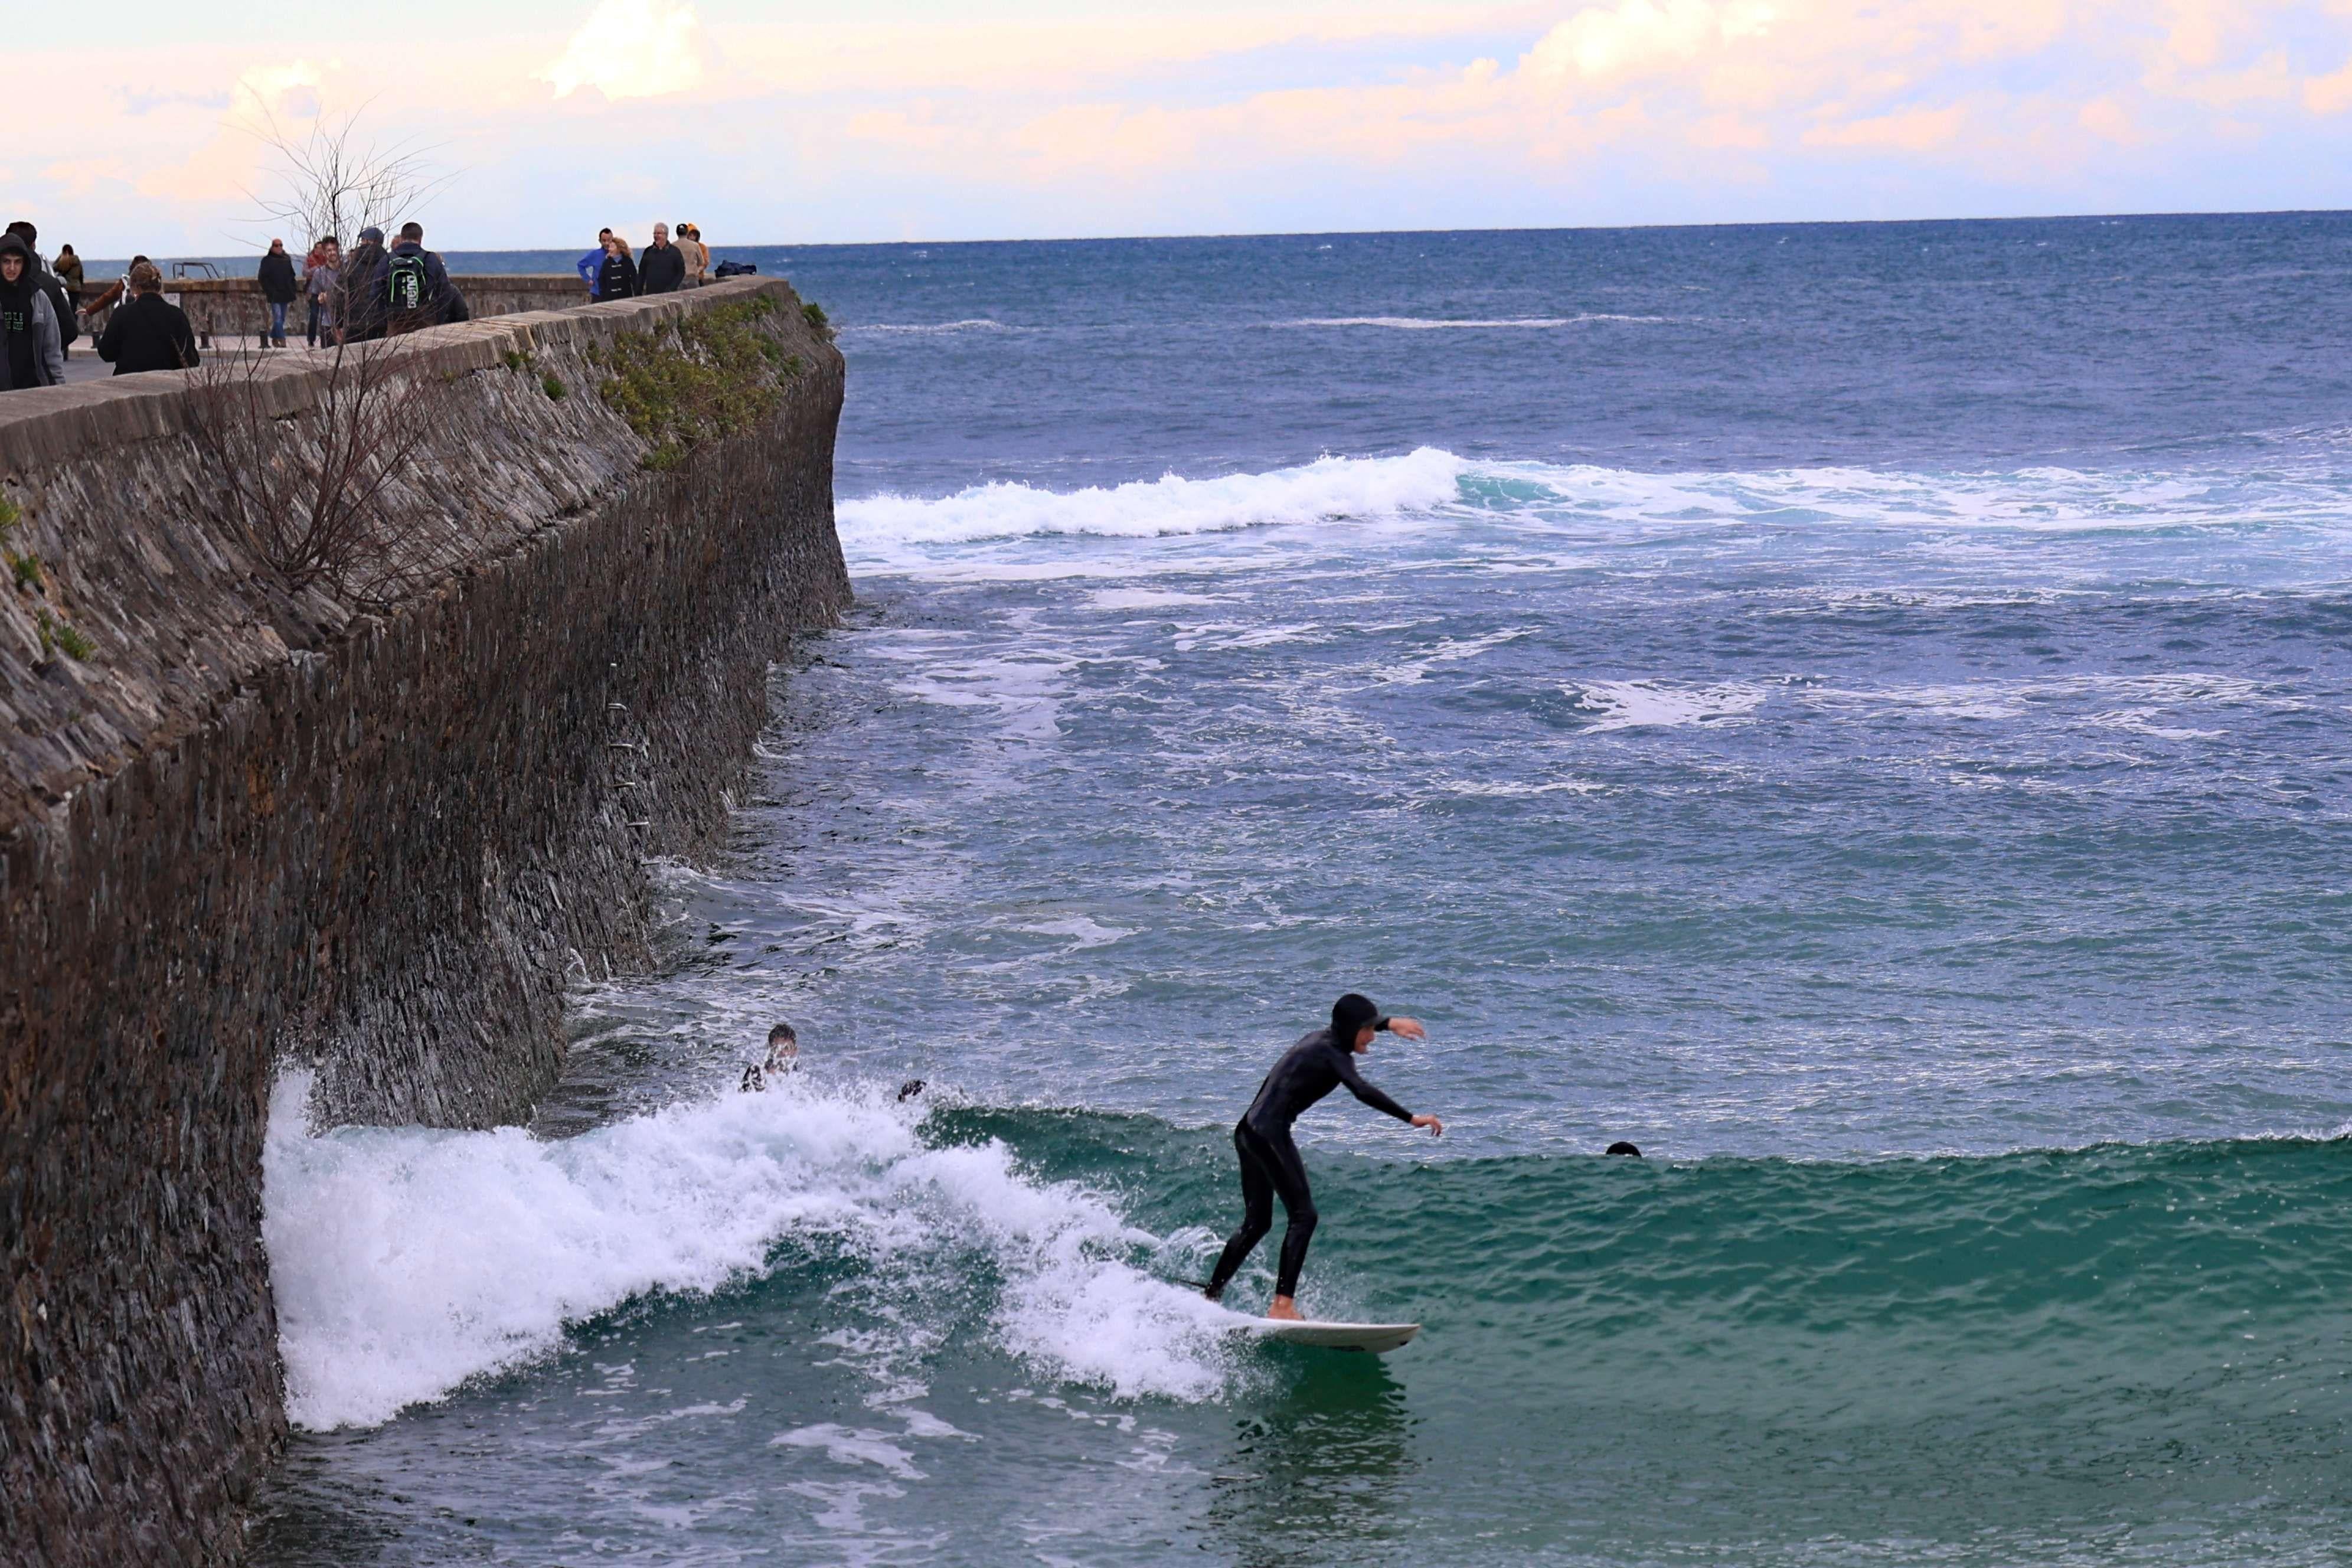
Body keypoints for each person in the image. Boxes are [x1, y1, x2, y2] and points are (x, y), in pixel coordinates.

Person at [1203, 994, 1442, 1319]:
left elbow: (1352, 1028)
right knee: (1305, 1216)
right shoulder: (1333, 1054)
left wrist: (1389, 1023)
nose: (1372, 1037)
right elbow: (1361, 1090)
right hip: (1270, 1134)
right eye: (1367, 1031)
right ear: (1350, 1030)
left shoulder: (1322, 1040)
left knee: (1257, 1222)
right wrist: (1411, 1118)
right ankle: (1282, 1306)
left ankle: (1211, 1296)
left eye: (1374, 1029)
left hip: (1248, 1132)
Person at [95, 261, 199, 375]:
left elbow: (106, 353)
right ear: (159, 286)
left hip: (127, 382)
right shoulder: (177, 315)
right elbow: (191, 359)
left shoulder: (122, 314)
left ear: (135, 288)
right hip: (166, 383)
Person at [0, 236, 67, 390]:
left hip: (32, 387)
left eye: (17, 262)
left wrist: (58, 388)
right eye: (6, 261)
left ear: (25, 264)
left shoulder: (38, 298)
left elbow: (52, 350)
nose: (12, 268)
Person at [6, 221, 79, 355]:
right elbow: (70, 330)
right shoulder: (49, 284)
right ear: (33, 245)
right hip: (35, 367)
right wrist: (43, 350)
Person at [338, 226, 389, 342]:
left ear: (367, 241)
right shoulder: (388, 263)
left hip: (354, 322)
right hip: (381, 322)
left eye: (362, 241)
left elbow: (340, 294)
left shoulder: (350, 266)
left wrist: (339, 322)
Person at [256, 239, 298, 348]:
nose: (279, 247)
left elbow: (292, 275)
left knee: (282, 318)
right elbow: (262, 277)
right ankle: (282, 338)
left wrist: (293, 288)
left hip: (285, 293)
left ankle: (274, 336)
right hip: (274, 294)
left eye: (281, 245)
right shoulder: (267, 260)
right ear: (272, 247)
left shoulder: (286, 259)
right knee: (278, 317)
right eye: (276, 245)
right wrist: (269, 290)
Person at [303, 237, 340, 347]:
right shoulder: (319, 273)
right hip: (327, 323)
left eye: (334, 250)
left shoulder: (347, 271)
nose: (333, 253)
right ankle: (311, 338)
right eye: (329, 250)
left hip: (344, 323)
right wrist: (319, 298)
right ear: (324, 253)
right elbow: (314, 295)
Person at [639, 223, 685, 295]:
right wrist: (638, 291)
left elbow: (681, 272)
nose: (656, 236)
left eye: (659, 233)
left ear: (666, 235)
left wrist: (671, 289)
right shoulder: (648, 251)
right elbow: (642, 272)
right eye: (654, 233)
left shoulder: (675, 252)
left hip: (669, 294)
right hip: (651, 294)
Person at [596, 234, 639, 302]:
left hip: (626, 299)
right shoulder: (606, 263)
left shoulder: (628, 262)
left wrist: (637, 296)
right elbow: (601, 281)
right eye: (609, 247)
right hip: (609, 300)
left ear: (619, 249)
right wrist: (603, 297)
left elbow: (635, 280)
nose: (609, 249)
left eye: (612, 247)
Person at [577, 228, 614, 299]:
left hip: (613, 293)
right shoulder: (595, 254)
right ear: (600, 241)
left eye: (609, 240)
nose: (607, 243)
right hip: (598, 293)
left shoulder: (617, 254)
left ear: (613, 239)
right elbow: (580, 265)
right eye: (604, 241)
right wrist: (588, 279)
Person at [676, 223, 707, 288]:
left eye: (694, 235)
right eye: (690, 235)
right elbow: (702, 262)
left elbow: (704, 263)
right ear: (687, 234)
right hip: (692, 278)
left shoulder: (673, 246)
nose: (692, 238)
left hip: (683, 278)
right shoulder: (696, 246)